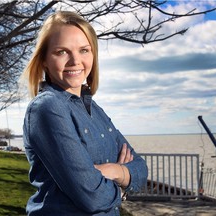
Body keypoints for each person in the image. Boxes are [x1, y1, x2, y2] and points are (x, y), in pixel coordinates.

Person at [22, 11, 148, 216]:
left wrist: (114, 170)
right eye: (62, 51)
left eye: (84, 50)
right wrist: (122, 186)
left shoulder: (95, 109)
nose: (75, 60)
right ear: (44, 59)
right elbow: (93, 196)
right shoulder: (47, 108)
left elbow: (141, 170)